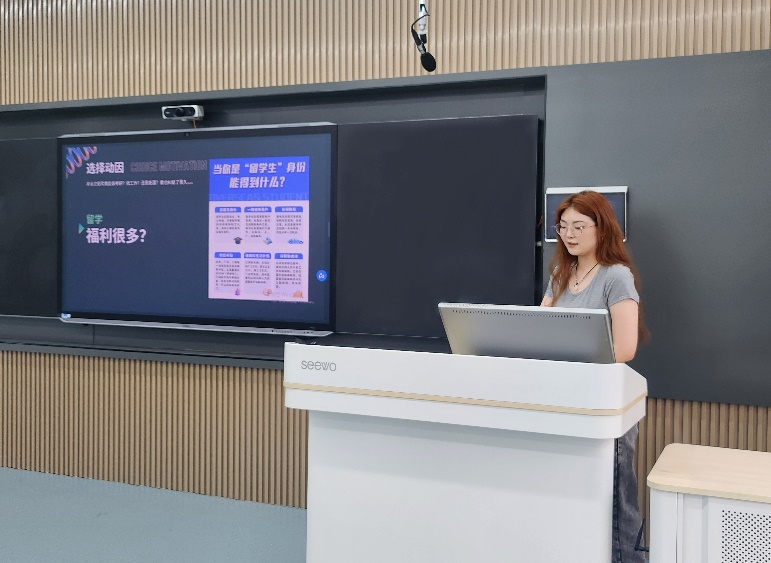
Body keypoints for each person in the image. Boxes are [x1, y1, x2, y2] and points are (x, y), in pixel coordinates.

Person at [540, 190, 649, 563]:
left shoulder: (616, 276)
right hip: (563, 401)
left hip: (604, 403)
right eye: (563, 227)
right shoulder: (560, 273)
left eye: (578, 226)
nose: (568, 235)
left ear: (601, 228)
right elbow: (540, 331)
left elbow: (625, 348)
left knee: (616, 501)